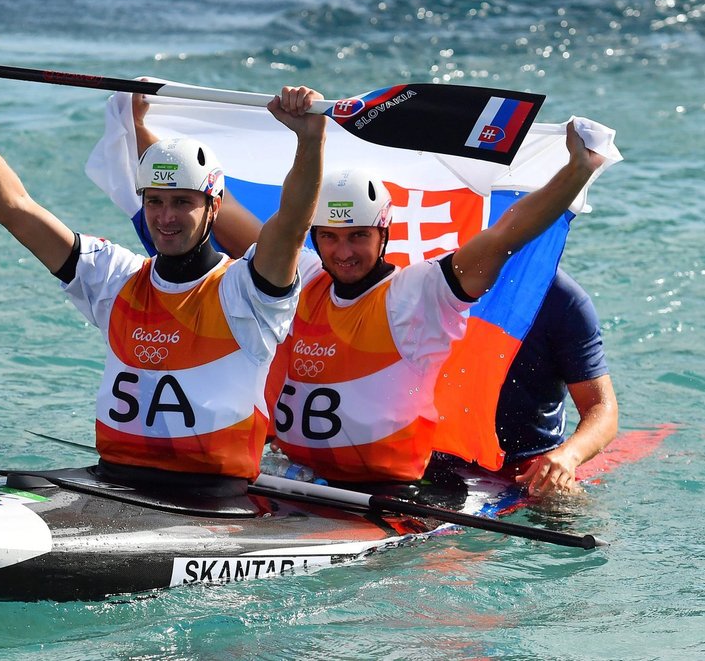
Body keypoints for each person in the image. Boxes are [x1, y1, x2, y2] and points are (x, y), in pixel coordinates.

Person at [0, 43, 325, 490]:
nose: (165, 217)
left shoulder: (248, 292)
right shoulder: (114, 278)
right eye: (154, 201)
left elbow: (291, 224)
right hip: (113, 483)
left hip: (210, 497)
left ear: (214, 207)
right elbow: (13, 207)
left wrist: (309, 140)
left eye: (182, 203)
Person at [213, 120, 607, 485]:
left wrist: (577, 171)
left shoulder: (416, 294)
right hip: (299, 475)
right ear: (314, 237)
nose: (343, 251)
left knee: (562, 507)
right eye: (330, 237)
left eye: (358, 236)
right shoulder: (305, 275)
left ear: (383, 233)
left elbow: (505, 236)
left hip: (386, 489)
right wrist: (149, 129)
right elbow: (223, 212)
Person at [495, 268, 618, 495]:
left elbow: (601, 408)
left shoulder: (565, 300)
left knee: (563, 501)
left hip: (528, 462)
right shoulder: (436, 278)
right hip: (435, 454)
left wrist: (568, 455)